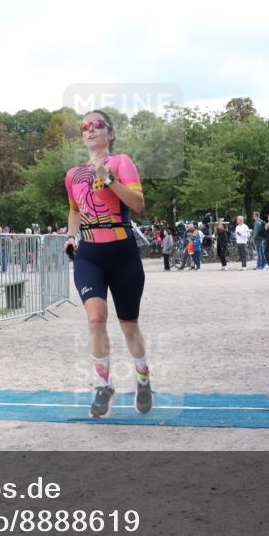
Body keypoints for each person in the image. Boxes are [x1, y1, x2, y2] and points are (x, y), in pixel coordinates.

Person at [64, 110, 154, 418]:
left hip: (122, 252)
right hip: (89, 254)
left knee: (129, 325)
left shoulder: (122, 162)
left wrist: (109, 177)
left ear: (110, 133)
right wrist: (71, 236)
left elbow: (138, 205)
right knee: (95, 317)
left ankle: (143, 379)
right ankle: (105, 385)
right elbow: (75, 210)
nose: (89, 130)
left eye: (96, 125)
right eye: (84, 126)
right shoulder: (73, 174)